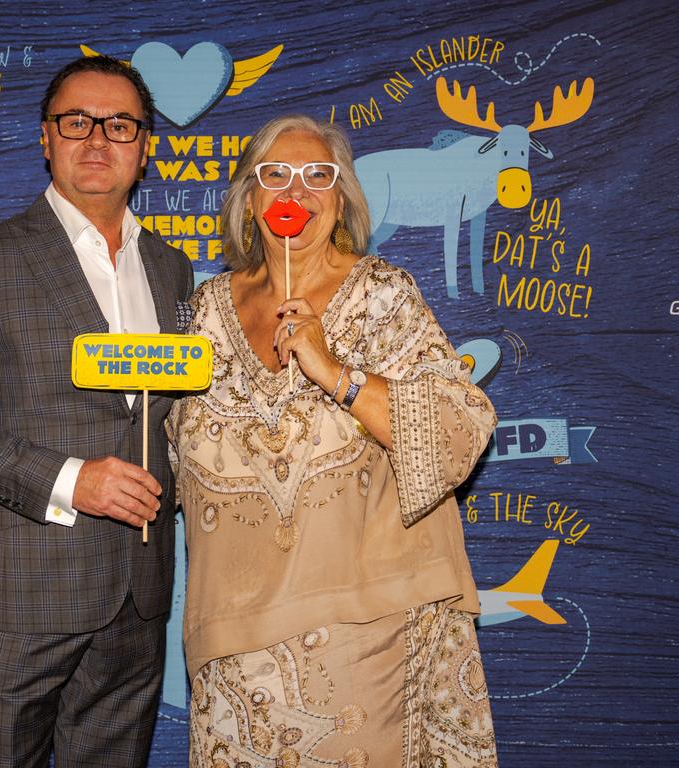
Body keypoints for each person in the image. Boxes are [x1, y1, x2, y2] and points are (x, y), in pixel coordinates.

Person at [166, 115, 499, 767]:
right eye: (276, 176)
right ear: (248, 197)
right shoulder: (203, 309)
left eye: (319, 176)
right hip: (229, 639)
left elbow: (461, 426)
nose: (298, 192)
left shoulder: (382, 294)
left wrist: (337, 374)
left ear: (342, 197)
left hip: (365, 633)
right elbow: (177, 451)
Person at [0, 55, 193, 767]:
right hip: (19, 594)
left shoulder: (172, 267)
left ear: (146, 144)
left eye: (120, 124)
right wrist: (69, 479)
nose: (98, 138)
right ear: (45, 138)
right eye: (76, 122)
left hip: (138, 594)